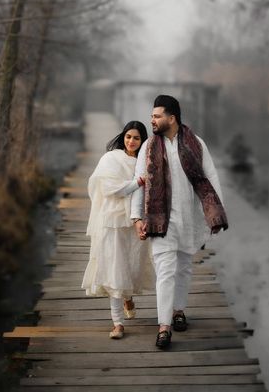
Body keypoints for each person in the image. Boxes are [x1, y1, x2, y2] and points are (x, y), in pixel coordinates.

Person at [131, 95, 228, 349]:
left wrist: (215, 213)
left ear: (171, 118)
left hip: (189, 218)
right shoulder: (148, 147)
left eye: (156, 116)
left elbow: (210, 177)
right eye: (151, 116)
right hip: (159, 219)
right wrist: (136, 218)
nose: (151, 120)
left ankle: (179, 311)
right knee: (165, 271)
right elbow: (139, 184)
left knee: (184, 266)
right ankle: (164, 327)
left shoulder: (197, 144)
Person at [82, 120, 154, 339]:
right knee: (114, 270)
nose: (131, 141)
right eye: (128, 136)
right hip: (112, 221)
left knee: (132, 266)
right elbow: (109, 188)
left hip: (135, 222)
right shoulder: (111, 159)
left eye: (137, 138)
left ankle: (128, 297)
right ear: (123, 137)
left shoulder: (145, 163)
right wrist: (137, 183)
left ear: (143, 141)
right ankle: (117, 324)